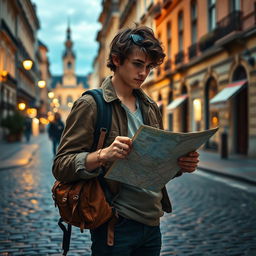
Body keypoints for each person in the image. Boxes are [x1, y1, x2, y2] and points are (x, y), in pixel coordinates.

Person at [52, 26, 199, 256]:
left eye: (149, 67)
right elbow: (61, 165)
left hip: (152, 224)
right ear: (116, 60)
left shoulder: (150, 107)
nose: (144, 73)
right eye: (138, 64)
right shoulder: (91, 105)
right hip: (115, 225)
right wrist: (102, 155)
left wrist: (180, 164)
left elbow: (154, 163)